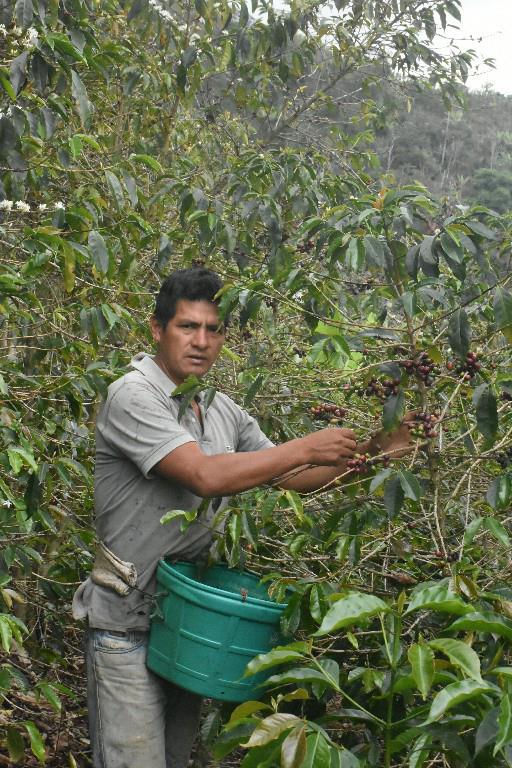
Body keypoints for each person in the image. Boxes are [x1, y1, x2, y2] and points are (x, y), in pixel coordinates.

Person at [73, 266, 413, 768]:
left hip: (184, 622)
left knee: (170, 758)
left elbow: (287, 476)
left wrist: (372, 455)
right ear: (156, 329)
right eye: (188, 327)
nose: (201, 341)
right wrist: (306, 446)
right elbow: (206, 475)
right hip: (124, 624)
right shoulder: (133, 395)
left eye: (213, 330)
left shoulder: (219, 408)